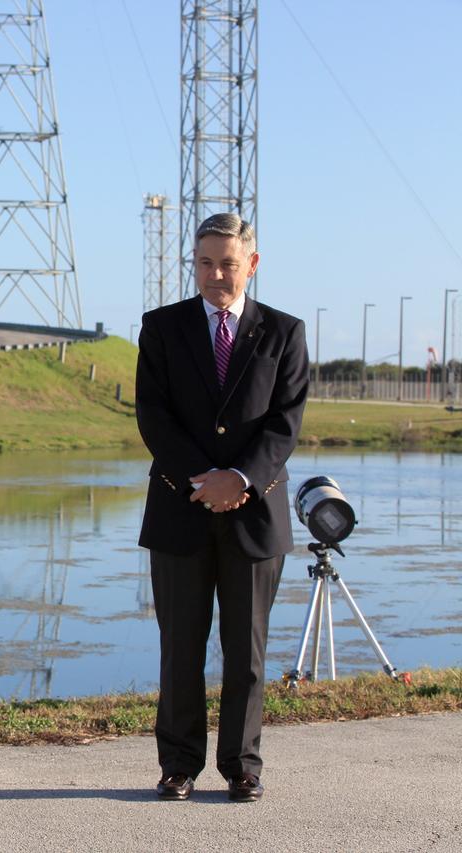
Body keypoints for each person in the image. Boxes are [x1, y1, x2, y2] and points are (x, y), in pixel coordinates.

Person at [135, 212, 308, 804]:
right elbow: (153, 415)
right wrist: (200, 480)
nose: (215, 275)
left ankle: (242, 766)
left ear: (251, 265)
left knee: (247, 650)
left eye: (227, 264)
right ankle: (178, 765)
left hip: (255, 513)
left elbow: (285, 424)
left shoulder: (284, 333)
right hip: (179, 510)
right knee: (180, 647)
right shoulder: (161, 327)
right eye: (205, 263)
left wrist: (239, 479)